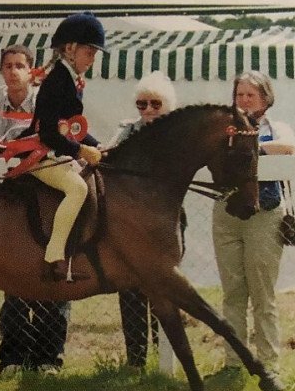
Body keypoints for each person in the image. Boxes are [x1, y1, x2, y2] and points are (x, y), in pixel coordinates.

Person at [0, 44, 70, 375]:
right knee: (13, 273)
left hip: (51, 187)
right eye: (8, 66)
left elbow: (59, 140)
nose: (13, 71)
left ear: (31, 70)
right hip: (15, 192)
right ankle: (13, 356)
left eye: (19, 66)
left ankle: (49, 357)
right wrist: (14, 152)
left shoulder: (47, 98)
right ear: (1, 71)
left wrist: (9, 147)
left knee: (52, 269)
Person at [212, 70, 295, 383]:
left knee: (263, 294)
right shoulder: (225, 125)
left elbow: (287, 147)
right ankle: (234, 364)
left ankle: (269, 367)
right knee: (233, 293)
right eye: (240, 95)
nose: (244, 100)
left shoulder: (277, 127)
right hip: (227, 214)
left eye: (251, 95)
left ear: (265, 98)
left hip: (265, 214)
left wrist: (251, 149)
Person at [18, 12, 105, 282]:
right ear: (70, 49)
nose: (92, 59)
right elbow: (49, 133)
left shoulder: (71, 79)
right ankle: (53, 257)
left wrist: (99, 145)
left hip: (57, 149)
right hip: (41, 152)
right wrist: (81, 151)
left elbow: (73, 127)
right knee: (77, 188)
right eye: (89, 52)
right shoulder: (58, 81)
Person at [106, 71, 178, 370]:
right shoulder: (127, 131)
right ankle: (136, 359)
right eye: (142, 104)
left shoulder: (177, 135)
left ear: (167, 105)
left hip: (164, 223)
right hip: (129, 224)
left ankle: (165, 357)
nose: (147, 110)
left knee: (163, 287)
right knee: (131, 289)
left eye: (155, 104)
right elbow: (107, 158)